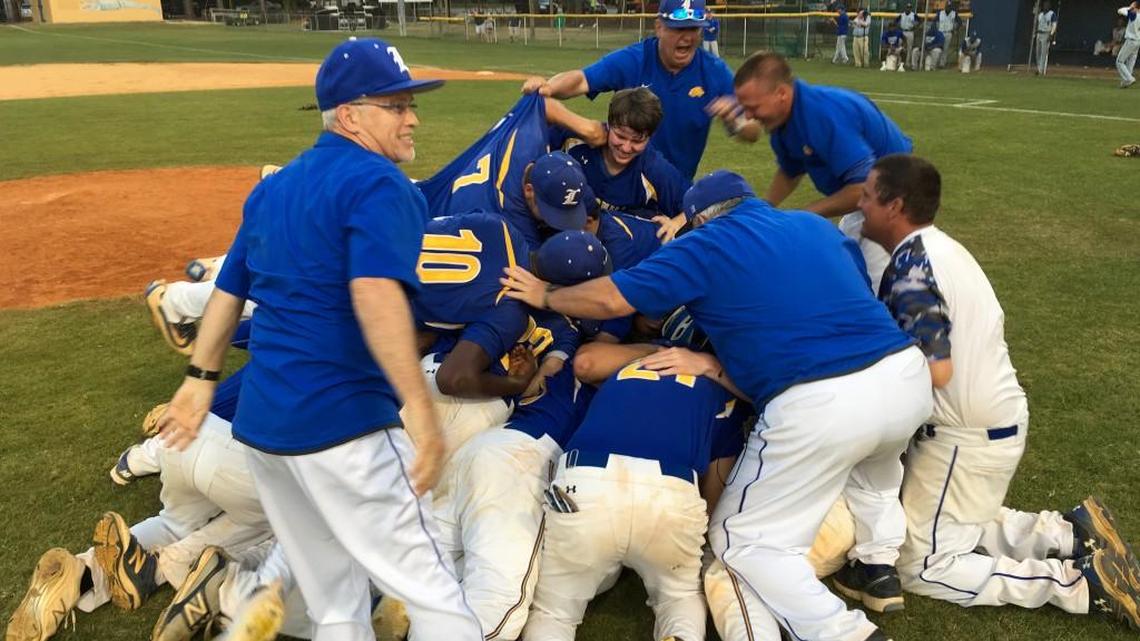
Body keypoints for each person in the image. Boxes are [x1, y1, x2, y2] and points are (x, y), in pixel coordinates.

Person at [500, 170, 933, 641]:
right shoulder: (811, 226)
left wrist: (545, 294)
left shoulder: (705, 243)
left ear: (702, 218)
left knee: (743, 543)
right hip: (905, 377)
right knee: (874, 478)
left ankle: (845, 633)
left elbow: (612, 298)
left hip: (820, 398)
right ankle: (877, 565)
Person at [156, 37, 483, 641]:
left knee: (334, 604)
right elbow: (375, 295)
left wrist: (199, 381)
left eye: (411, 104)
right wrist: (422, 412)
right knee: (439, 600)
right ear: (352, 115)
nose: (412, 118)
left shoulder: (274, 188)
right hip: (344, 428)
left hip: (265, 431)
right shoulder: (382, 185)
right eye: (395, 105)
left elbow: (228, 293)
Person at [856, 153, 1140, 632]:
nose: (859, 203)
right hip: (990, 420)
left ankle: (1077, 584)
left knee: (922, 565)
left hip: (963, 435)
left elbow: (936, 370)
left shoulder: (910, 267)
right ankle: (1070, 532)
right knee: (939, 521)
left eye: (867, 195)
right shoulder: (940, 247)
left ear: (894, 205)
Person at [522, 348, 753, 641]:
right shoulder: (722, 387)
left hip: (587, 481)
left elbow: (587, 363)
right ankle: (680, 634)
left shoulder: (632, 363)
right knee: (678, 597)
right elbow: (716, 488)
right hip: (670, 487)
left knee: (554, 611)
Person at [722, 51, 912, 292]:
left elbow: (864, 188)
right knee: (843, 273)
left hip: (894, 202)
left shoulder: (822, 113)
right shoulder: (782, 122)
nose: (747, 116)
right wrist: (765, 208)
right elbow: (790, 170)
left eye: (753, 107)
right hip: (868, 202)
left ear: (781, 94)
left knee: (874, 290)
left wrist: (803, 214)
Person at [519, 0, 759, 180]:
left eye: (694, 29)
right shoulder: (635, 59)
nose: (686, 37)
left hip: (672, 188)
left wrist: (735, 121)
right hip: (623, 178)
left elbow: (753, 130)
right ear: (659, 27)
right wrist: (548, 87)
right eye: (678, 29)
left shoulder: (714, 71)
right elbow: (582, 80)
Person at [554, 87, 691, 235]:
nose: (626, 148)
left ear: (650, 137)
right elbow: (540, 117)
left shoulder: (654, 169)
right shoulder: (577, 140)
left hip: (618, 246)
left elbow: (700, 204)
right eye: (620, 136)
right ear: (609, 124)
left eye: (637, 141)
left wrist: (676, 223)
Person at [1117, 2, 1139, 89]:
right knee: (1130, 61)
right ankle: (1126, 82)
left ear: (1136, 7)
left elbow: (1120, 10)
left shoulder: (1133, 14)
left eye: (1132, 4)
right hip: (1138, 41)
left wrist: (1131, 8)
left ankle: (1129, 78)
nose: (1131, 6)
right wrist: (1134, 7)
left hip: (1131, 40)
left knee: (1119, 61)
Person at [1035, 1, 1058, 75]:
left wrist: (1051, 35)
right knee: (1038, 52)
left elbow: (1054, 25)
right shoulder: (1040, 14)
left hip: (1046, 33)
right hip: (1039, 33)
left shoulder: (1052, 14)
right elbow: (1038, 24)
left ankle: (1041, 70)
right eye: (1045, 5)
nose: (1046, 6)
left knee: (1043, 53)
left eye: (1047, 5)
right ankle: (1038, 67)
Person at [935, 1, 959, 68]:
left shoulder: (954, 13)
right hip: (940, 33)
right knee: (938, 47)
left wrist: (955, 28)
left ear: (951, 7)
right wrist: (937, 31)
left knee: (945, 49)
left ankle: (942, 64)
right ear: (945, 7)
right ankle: (936, 62)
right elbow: (935, 21)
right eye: (947, 7)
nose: (948, 8)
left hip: (948, 32)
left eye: (949, 7)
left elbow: (959, 22)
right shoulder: (940, 13)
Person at [898, 2, 918, 68]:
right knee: (900, 46)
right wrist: (899, 27)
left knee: (909, 48)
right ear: (905, 8)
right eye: (907, 7)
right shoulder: (902, 15)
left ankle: (907, 63)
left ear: (911, 8)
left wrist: (915, 27)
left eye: (909, 8)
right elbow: (895, 21)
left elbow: (920, 21)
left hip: (910, 32)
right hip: (902, 31)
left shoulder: (913, 15)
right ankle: (899, 62)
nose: (908, 9)